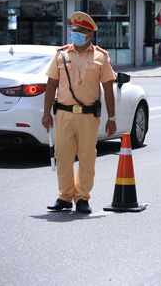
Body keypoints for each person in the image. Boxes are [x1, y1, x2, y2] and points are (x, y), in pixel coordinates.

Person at [42, 12, 117, 214]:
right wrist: (46, 113)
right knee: (63, 156)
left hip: (88, 115)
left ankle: (82, 197)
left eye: (80, 31)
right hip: (64, 114)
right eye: (73, 30)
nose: (75, 34)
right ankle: (65, 197)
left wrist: (112, 118)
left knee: (86, 157)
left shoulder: (101, 56)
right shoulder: (61, 54)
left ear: (89, 35)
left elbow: (108, 89)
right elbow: (51, 85)